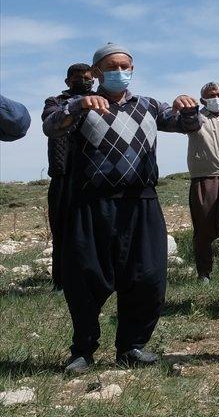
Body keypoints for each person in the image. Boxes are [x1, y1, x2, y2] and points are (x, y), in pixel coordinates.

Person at [43, 43, 200, 373]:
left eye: (125, 66)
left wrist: (188, 108)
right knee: (85, 276)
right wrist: (79, 105)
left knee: (148, 276)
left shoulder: (148, 105)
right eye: (112, 66)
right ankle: (83, 349)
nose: (120, 72)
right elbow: (51, 124)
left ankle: (132, 346)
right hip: (92, 204)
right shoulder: (74, 104)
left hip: (141, 202)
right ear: (97, 72)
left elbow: (190, 126)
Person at [42, 63, 94, 289]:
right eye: (79, 78)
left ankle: (93, 277)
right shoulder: (55, 102)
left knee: (93, 229)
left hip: (93, 175)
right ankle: (60, 281)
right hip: (63, 174)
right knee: (61, 229)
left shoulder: (101, 100)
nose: (84, 81)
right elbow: (50, 120)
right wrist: (78, 106)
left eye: (88, 77)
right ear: (68, 81)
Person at [186, 82, 219, 282]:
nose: (216, 98)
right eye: (211, 95)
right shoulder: (195, 119)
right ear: (203, 100)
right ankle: (204, 272)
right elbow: (184, 122)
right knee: (204, 229)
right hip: (204, 178)